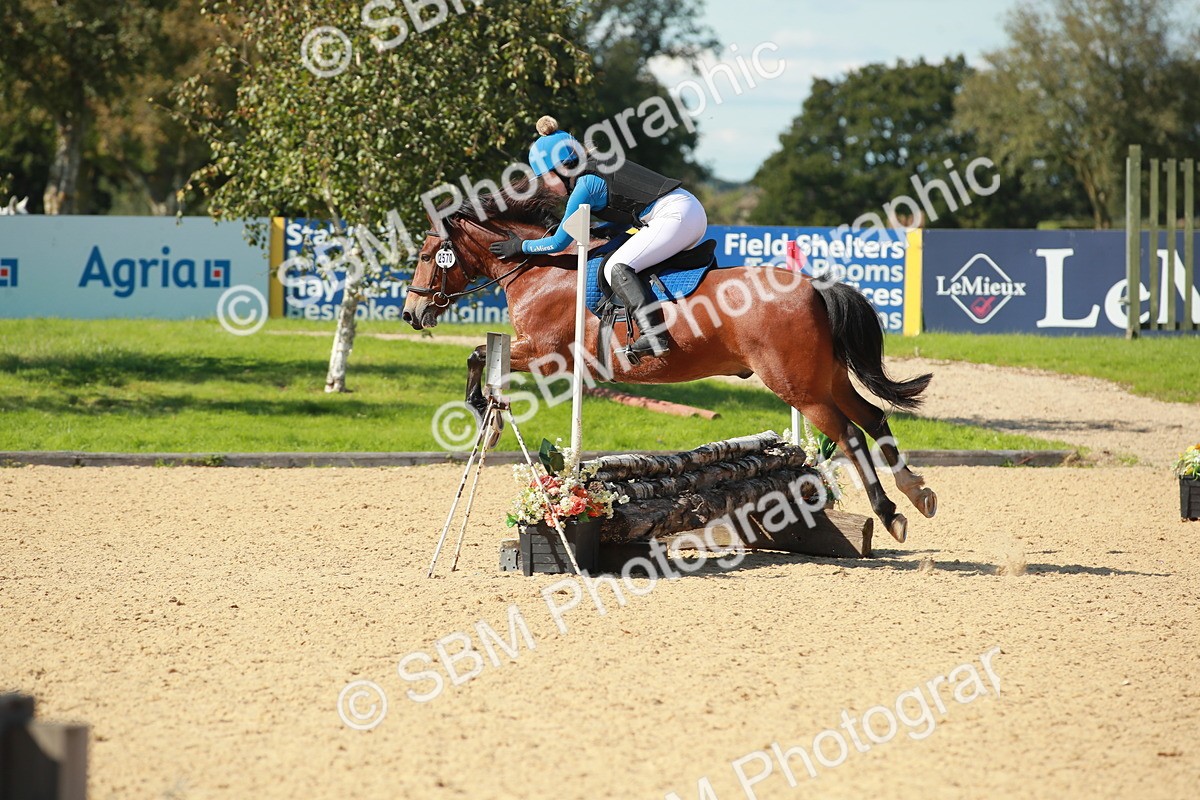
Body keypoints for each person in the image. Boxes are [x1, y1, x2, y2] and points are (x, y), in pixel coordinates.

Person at [489, 116, 709, 358]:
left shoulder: (585, 185)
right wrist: (607, 227)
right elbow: (627, 205)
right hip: (686, 210)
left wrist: (521, 246)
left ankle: (653, 336)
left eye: (545, 177)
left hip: (674, 215)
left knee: (616, 266)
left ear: (562, 169)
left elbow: (560, 242)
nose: (545, 186)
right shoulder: (597, 167)